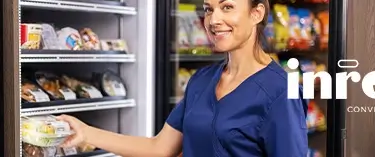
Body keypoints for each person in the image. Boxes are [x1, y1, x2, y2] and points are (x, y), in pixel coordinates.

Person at [56, 0, 309, 156]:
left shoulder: (280, 92)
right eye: (209, 9)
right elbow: (160, 149)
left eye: (227, 7)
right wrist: (87, 133)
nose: (214, 20)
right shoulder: (202, 81)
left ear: (256, 13)